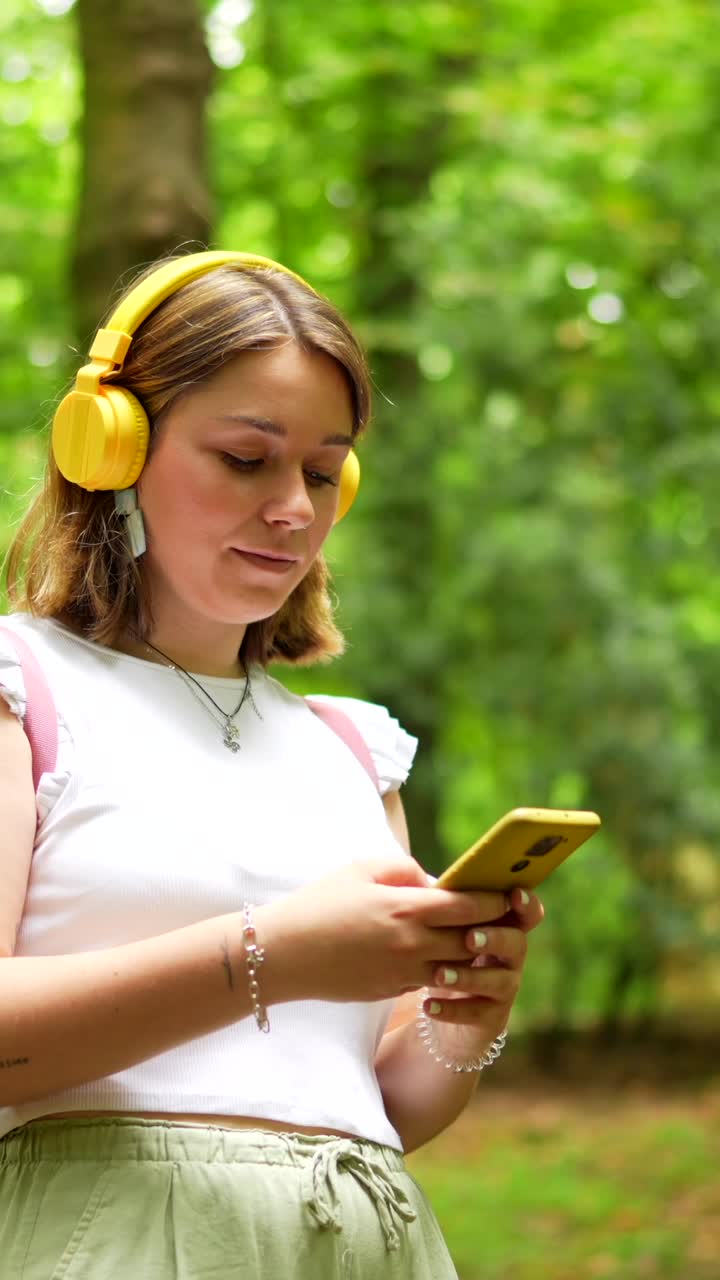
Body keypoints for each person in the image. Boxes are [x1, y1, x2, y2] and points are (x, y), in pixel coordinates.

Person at [0, 250, 543, 1278]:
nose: (294, 505)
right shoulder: (23, 686)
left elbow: (381, 1104)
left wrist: (465, 1018)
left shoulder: (353, 748)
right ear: (111, 448)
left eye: (323, 470)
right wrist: (271, 955)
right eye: (247, 458)